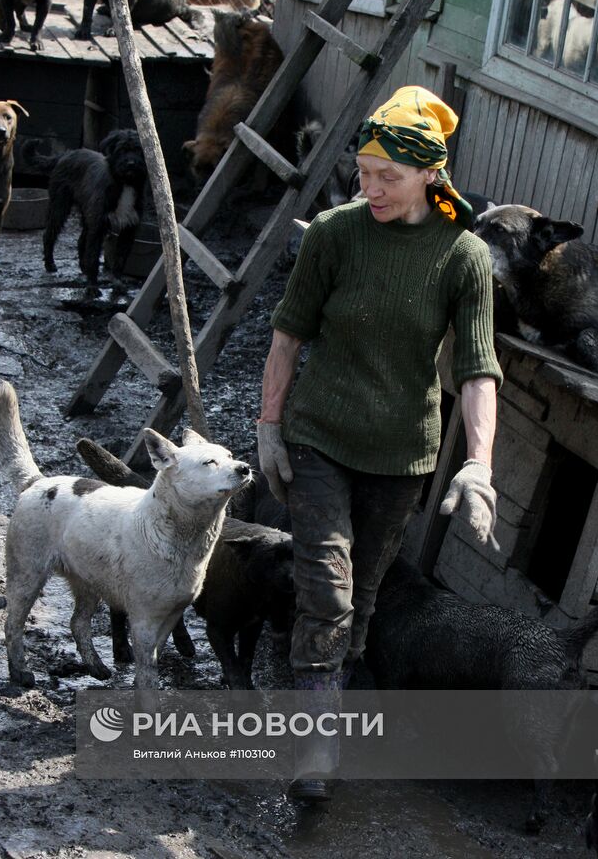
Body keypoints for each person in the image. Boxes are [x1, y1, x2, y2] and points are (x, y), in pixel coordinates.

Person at [256, 85, 503, 801]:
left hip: (401, 457)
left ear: (430, 173)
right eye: (362, 172)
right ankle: (316, 745)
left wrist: (478, 467)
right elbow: (286, 335)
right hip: (321, 438)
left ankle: (323, 699)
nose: (369, 189)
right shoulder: (334, 233)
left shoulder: (463, 258)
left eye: (386, 177)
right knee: (327, 590)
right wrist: (270, 427)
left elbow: (478, 367)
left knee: (362, 599)